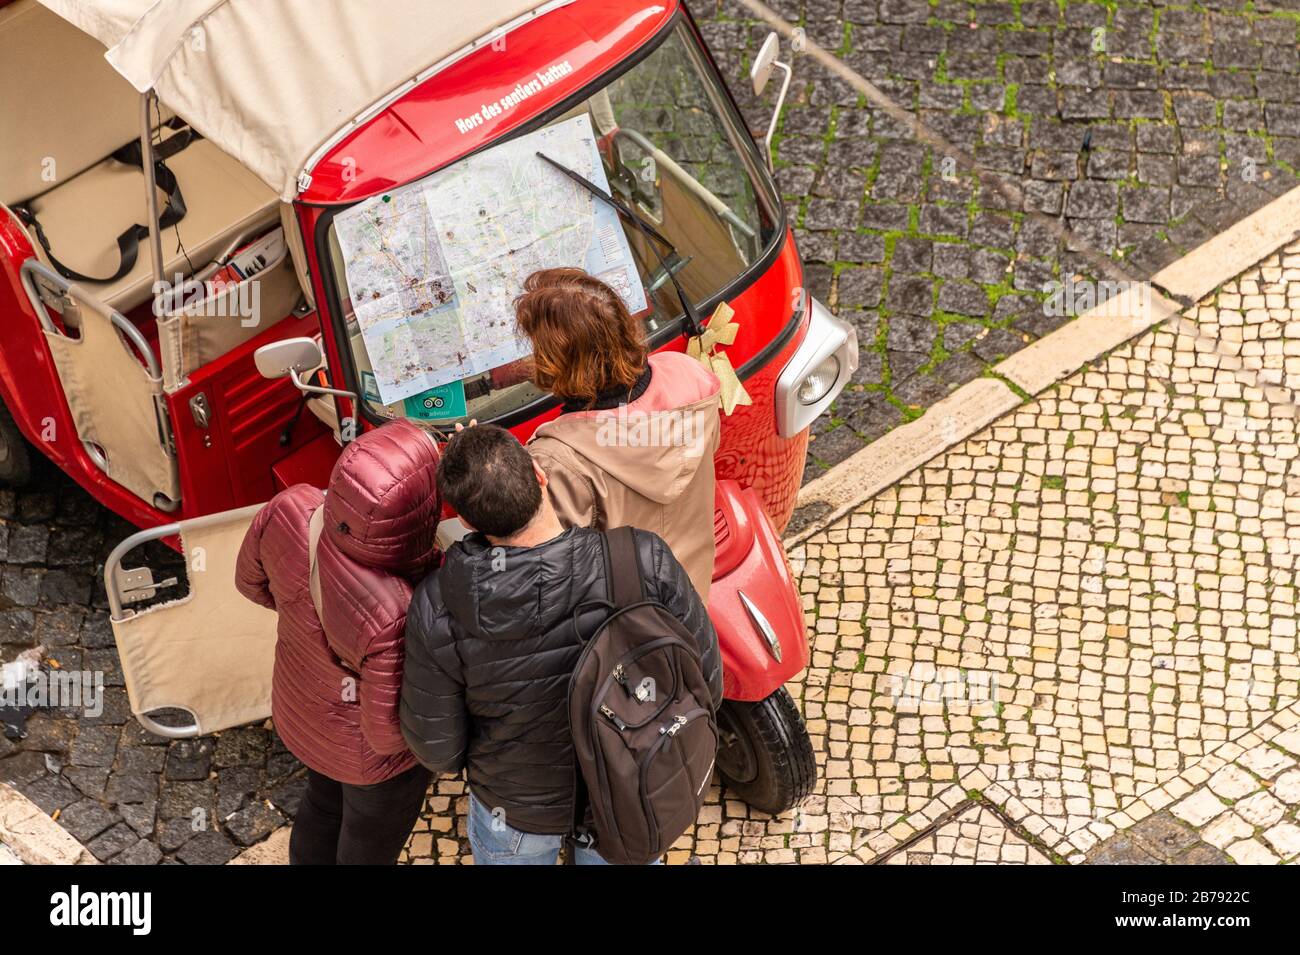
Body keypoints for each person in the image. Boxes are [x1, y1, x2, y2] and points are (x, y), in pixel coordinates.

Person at [399, 424, 722, 865]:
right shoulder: (640, 559)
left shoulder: (438, 606)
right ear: (539, 474)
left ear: (468, 522)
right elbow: (706, 680)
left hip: (515, 811)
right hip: (627, 796)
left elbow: (438, 747)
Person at [236, 420, 441, 865]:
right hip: (369, 764)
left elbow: (250, 584)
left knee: (321, 805)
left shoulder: (290, 508)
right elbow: (386, 736)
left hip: (300, 711)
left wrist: (301, 622)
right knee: (367, 844)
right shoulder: (398, 610)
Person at [516, 268, 722, 601]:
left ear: (555, 362)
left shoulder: (555, 461)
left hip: (626, 626)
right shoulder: (689, 375)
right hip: (694, 591)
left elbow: (551, 573)